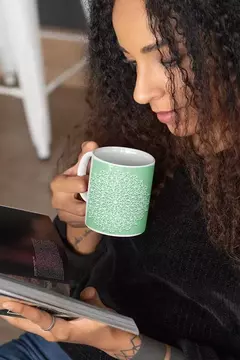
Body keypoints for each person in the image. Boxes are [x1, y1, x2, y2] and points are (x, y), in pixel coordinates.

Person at [0, 0, 240, 358]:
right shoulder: (145, 136)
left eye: (169, 59)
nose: (140, 93)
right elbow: (80, 276)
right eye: (131, 62)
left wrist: (120, 343)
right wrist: (80, 228)